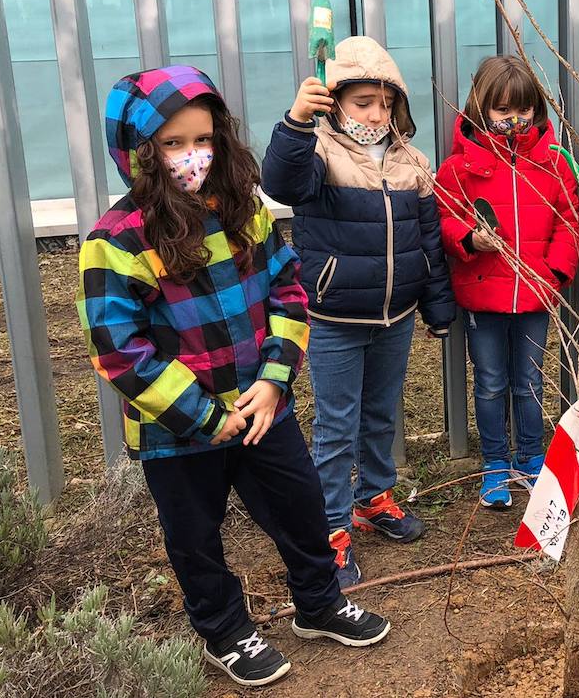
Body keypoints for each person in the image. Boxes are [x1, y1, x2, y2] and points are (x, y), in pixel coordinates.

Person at [79, 65, 390, 688]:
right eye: (172, 144)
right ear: (139, 153)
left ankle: (318, 602)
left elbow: (289, 291)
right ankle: (225, 630)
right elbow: (120, 351)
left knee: (300, 508)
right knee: (195, 537)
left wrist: (275, 379)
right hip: (180, 430)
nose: (192, 156)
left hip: (262, 407)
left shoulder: (243, 213)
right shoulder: (115, 240)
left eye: (203, 139)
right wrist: (206, 414)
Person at [261, 38, 456, 587]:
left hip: (395, 317)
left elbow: (429, 241)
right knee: (335, 425)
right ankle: (330, 528)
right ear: (336, 102)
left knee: (380, 415)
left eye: (385, 103)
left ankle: (373, 497)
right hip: (334, 319)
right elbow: (279, 182)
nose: (376, 113)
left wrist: (436, 304)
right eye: (363, 101)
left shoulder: (411, 163)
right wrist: (297, 121)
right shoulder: (319, 154)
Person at [433, 56, 579, 508]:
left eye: (523, 110)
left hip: (536, 297)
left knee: (530, 382)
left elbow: (570, 220)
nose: (514, 120)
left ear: (537, 110)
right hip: (483, 296)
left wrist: (554, 275)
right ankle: (495, 463)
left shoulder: (555, 164)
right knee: (491, 382)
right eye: (502, 110)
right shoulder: (458, 169)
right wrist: (469, 240)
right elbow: (444, 219)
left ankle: (531, 458)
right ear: (481, 110)